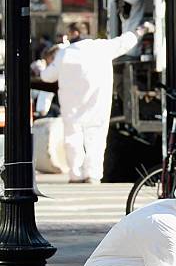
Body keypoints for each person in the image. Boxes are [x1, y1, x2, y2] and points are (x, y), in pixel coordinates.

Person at [40, 23, 153, 184]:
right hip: (97, 103)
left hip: (71, 105)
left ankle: (75, 173)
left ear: (73, 35)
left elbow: (47, 77)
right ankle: (92, 174)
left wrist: (43, 67)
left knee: (73, 137)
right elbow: (125, 41)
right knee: (96, 138)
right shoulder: (102, 47)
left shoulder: (64, 54)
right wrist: (142, 30)